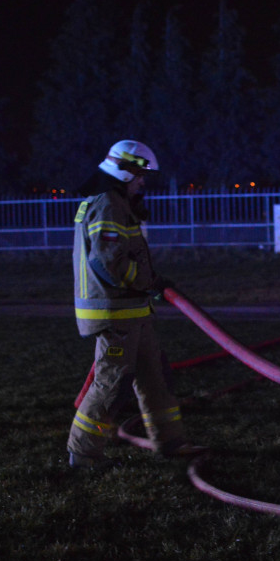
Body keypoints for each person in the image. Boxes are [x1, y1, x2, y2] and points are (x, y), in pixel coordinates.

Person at [66, 140, 203, 468]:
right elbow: (109, 261)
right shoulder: (108, 204)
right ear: (124, 171)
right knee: (111, 385)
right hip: (115, 313)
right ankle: (83, 453)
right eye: (140, 175)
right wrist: (148, 283)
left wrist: (150, 284)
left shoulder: (115, 202)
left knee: (156, 378)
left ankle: (170, 441)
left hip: (132, 312)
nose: (143, 181)